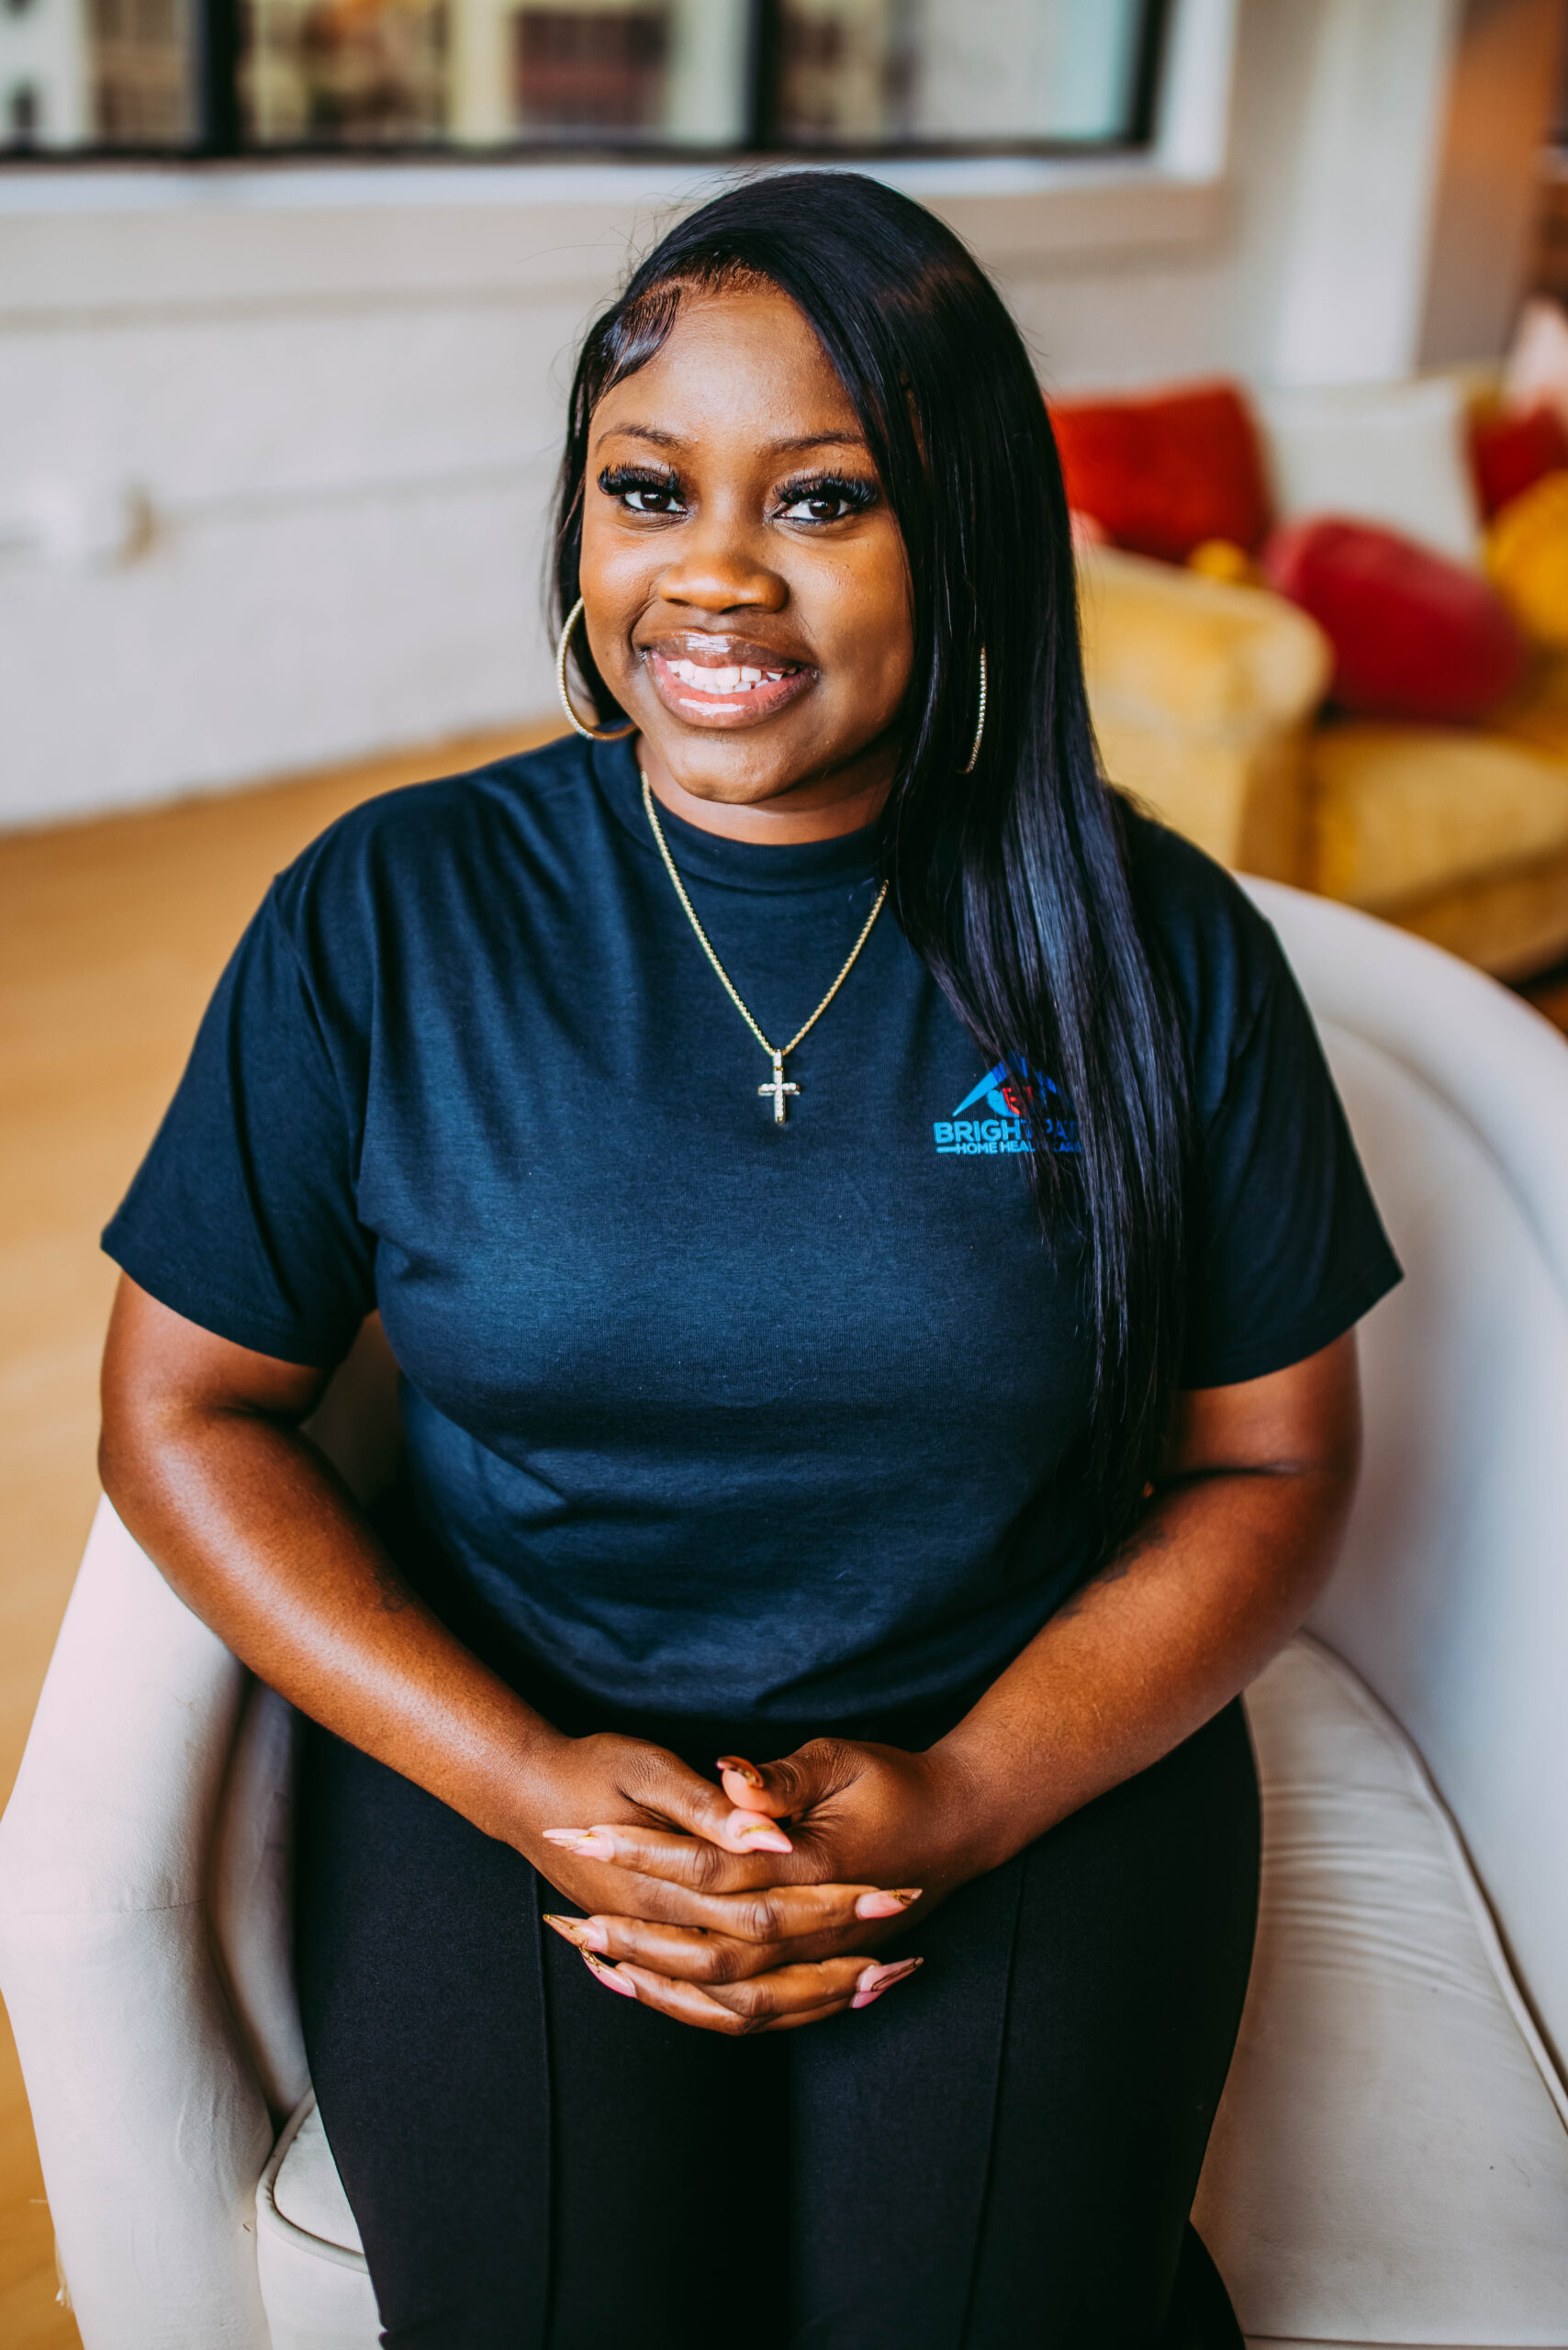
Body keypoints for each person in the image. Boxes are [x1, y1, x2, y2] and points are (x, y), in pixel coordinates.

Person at [97, 171, 1400, 2349]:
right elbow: (181, 1405)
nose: (709, 569)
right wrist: (523, 1777)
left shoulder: (1155, 946)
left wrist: (970, 1789)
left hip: (1021, 1744)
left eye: (822, 501)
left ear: (963, 536)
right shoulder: (387, 909)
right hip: (515, 1731)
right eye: (645, 488)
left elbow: (1268, 1465)